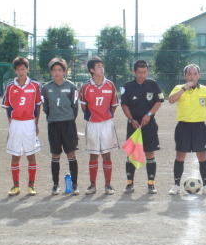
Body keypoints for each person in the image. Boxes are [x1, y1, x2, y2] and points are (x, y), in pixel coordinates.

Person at [168, 64, 206, 195]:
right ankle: (176, 185)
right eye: (189, 74)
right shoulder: (178, 88)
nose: (192, 76)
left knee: (202, 155)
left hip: (199, 127)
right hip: (183, 127)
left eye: (195, 74)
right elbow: (171, 100)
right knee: (180, 155)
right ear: (184, 76)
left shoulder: (204, 90)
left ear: (199, 76)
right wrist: (184, 88)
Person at [121, 60, 163, 194]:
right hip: (133, 125)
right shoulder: (127, 86)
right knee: (131, 154)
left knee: (150, 153)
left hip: (149, 123)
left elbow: (158, 101)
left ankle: (151, 184)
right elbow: (124, 105)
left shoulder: (153, 84)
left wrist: (149, 114)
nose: (142, 75)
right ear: (134, 72)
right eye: (139, 72)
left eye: (145, 72)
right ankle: (129, 183)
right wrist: (131, 119)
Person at [3, 57, 43, 196]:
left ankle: (31, 185)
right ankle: (16, 186)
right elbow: (7, 106)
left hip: (29, 123)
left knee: (31, 154)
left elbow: (38, 105)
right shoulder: (10, 87)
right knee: (15, 155)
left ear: (27, 69)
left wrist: (36, 123)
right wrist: (11, 121)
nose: (20, 72)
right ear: (15, 71)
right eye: (18, 69)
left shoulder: (35, 86)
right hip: (15, 123)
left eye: (23, 69)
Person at [80, 56, 120, 195]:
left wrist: (106, 115)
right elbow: (83, 106)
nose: (102, 69)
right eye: (98, 66)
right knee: (93, 155)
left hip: (106, 124)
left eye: (102, 66)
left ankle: (108, 185)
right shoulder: (86, 86)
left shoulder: (110, 85)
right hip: (92, 124)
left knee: (107, 155)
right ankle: (92, 185)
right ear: (92, 70)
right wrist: (93, 116)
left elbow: (114, 105)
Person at [41, 57, 80, 195]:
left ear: (64, 71)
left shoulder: (71, 87)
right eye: (54, 70)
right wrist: (53, 117)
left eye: (59, 70)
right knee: (55, 154)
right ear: (51, 72)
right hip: (54, 124)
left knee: (71, 153)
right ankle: (55, 185)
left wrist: (69, 118)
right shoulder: (46, 88)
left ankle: (75, 185)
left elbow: (75, 106)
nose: (57, 73)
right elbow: (45, 107)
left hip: (68, 123)